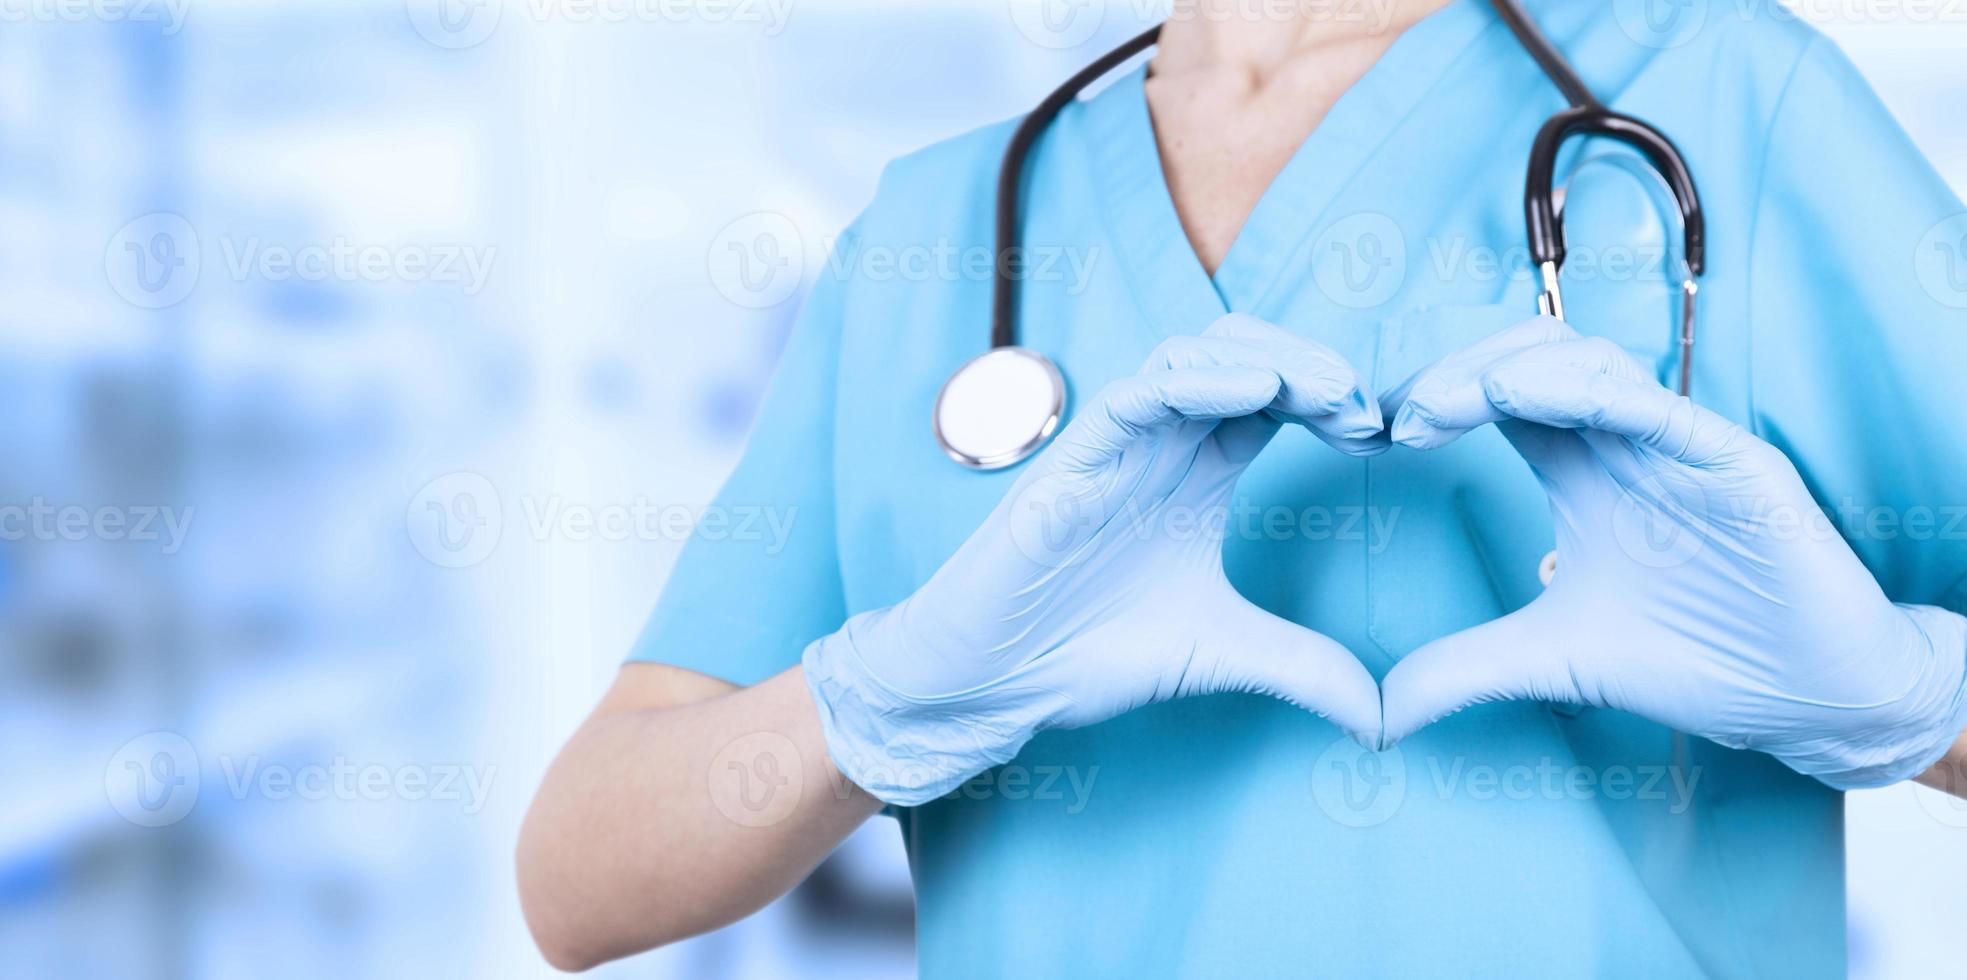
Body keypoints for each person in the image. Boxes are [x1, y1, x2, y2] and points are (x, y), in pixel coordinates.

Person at [517, 1, 1967, 974]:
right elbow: (577, 881)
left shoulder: (1724, 96)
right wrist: (875, 708)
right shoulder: (948, 224)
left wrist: (1916, 698)